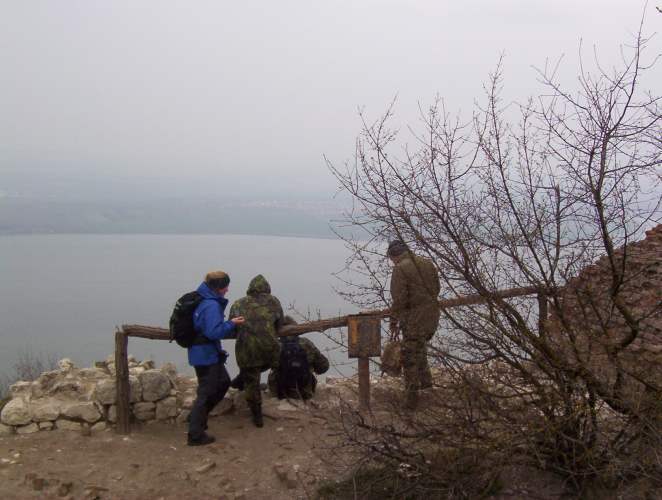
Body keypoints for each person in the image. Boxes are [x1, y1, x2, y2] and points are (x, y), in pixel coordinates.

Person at [187, 270, 245, 446]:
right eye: (225, 286)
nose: (227, 290)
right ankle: (195, 434)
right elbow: (214, 332)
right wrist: (231, 323)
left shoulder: (201, 298)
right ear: (218, 287)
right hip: (205, 354)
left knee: (223, 382)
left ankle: (197, 418)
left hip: (203, 352)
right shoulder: (211, 305)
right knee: (206, 393)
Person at [387, 240, 440, 410]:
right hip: (432, 317)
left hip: (414, 320)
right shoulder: (427, 263)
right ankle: (427, 387)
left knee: (409, 357)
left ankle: (411, 401)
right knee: (420, 350)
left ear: (394, 256)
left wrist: (393, 320)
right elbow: (437, 289)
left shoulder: (400, 268)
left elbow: (399, 299)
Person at [228, 275, 283, 427]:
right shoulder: (274, 301)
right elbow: (280, 324)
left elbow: (232, 327)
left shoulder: (238, 303)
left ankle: (257, 415)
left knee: (251, 379)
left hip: (247, 351)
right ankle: (242, 380)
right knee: (260, 368)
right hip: (269, 350)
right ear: (267, 288)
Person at [268, 317, 330, 400]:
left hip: (280, 392)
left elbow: (263, 365)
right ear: (297, 328)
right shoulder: (306, 343)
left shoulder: (275, 345)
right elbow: (324, 367)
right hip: (305, 392)